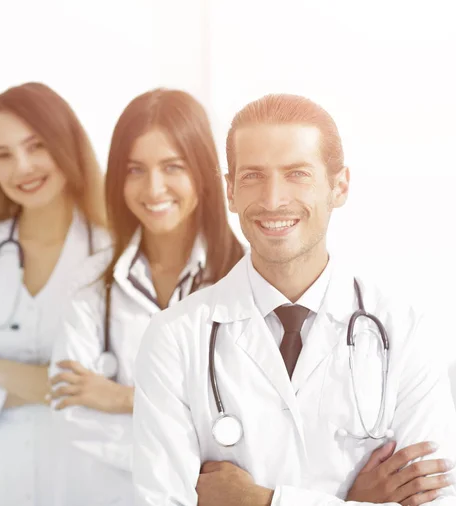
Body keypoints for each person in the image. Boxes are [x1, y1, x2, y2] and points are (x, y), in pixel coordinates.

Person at [131, 93, 456, 506]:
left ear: (339, 186)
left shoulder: (403, 331)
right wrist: (355, 501)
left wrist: (261, 500)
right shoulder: (174, 339)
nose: (272, 199)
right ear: (229, 190)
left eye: (297, 174)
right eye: (252, 176)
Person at [46, 88, 245, 504]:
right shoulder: (90, 281)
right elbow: (74, 413)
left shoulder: (243, 280)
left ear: (204, 171)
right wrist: (188, 449)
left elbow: (249, 423)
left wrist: (121, 398)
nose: (153, 189)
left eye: (172, 167)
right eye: (135, 170)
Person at [0, 82, 110, 506]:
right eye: (3, 155)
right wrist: (68, 386)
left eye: (36, 146)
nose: (23, 166)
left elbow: (114, 392)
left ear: (66, 144)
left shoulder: (112, 253)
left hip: (82, 480)